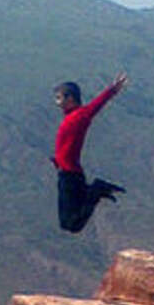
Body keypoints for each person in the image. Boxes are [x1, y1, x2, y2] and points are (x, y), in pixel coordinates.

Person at [53, 72, 127, 233]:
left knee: (71, 224)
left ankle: (96, 189)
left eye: (59, 98)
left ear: (71, 98)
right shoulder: (70, 116)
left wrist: (112, 90)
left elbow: (95, 106)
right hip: (67, 173)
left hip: (70, 175)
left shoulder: (80, 116)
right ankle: (94, 191)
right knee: (68, 223)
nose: (57, 103)